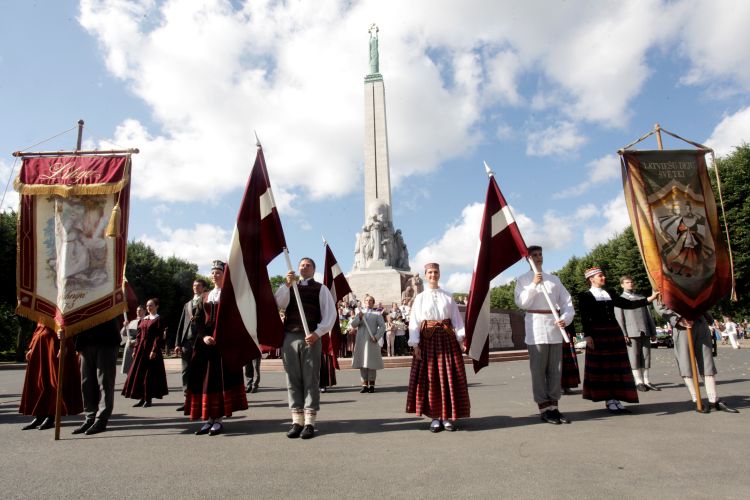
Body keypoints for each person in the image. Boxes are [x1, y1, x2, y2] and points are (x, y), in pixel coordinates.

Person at [578, 267, 659, 414]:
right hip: (598, 334)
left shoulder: (609, 293)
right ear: (591, 279)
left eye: (603, 275)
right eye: (600, 276)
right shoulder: (585, 296)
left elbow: (628, 304)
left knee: (616, 367)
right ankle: (609, 399)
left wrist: (650, 299)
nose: (603, 277)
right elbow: (585, 317)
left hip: (614, 332)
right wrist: (588, 336)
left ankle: (616, 399)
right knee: (605, 368)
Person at [274, 257, 337, 439]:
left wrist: (318, 333)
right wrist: (287, 284)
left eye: (308, 265)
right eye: (302, 265)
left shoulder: (321, 289)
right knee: (292, 378)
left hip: (311, 337)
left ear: (313, 269)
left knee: (311, 378)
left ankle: (309, 422)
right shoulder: (290, 287)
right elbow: (279, 303)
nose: (304, 267)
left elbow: (330, 314)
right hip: (290, 336)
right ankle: (297, 420)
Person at [184, 260, 248, 436]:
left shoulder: (230, 295)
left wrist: (221, 337)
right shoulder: (205, 296)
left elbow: (236, 319)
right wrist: (204, 336)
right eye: (212, 272)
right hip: (205, 345)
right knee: (204, 380)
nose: (214, 275)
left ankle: (218, 420)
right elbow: (197, 320)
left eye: (218, 272)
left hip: (223, 345)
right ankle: (209, 419)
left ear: (224, 275)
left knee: (219, 380)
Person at [514, 245, 575, 425]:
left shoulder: (554, 279)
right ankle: (544, 408)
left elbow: (567, 302)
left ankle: (554, 406)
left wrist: (565, 318)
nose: (538, 257)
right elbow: (522, 303)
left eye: (540, 254)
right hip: (536, 328)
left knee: (555, 370)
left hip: (554, 327)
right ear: (528, 259)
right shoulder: (523, 280)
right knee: (538, 370)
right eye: (534, 255)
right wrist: (533, 284)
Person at [406, 263, 470, 432]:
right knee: (431, 378)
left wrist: (461, 339)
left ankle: (446, 416)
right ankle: (435, 416)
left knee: (449, 377)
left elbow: (457, 320)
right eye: (430, 272)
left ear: (439, 274)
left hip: (447, 339)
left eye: (435, 272)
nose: (433, 275)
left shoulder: (448, 296)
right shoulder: (420, 297)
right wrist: (415, 344)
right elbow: (414, 322)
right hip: (427, 340)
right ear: (425, 275)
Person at [654, 302, 739, 413]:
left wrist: (711, 320)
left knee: (707, 363)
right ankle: (696, 399)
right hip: (682, 326)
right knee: (686, 364)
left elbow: (701, 300)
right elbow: (659, 305)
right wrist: (677, 320)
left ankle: (713, 400)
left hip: (701, 323)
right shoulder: (662, 289)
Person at [19, 322, 83, 430]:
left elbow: (68, 325)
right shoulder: (43, 313)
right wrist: (32, 347)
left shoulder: (60, 312)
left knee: (54, 382)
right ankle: (39, 415)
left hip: (55, 345)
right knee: (40, 382)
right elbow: (39, 327)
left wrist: (65, 344)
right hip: (41, 347)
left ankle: (51, 415)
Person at [72, 318, 120, 435]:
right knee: (86, 383)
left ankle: (101, 420)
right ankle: (90, 418)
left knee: (105, 382)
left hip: (107, 339)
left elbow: (127, 309)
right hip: (85, 341)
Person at [614, 276, 660, 392]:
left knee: (646, 356)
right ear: (622, 285)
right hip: (631, 332)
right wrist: (623, 334)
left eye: (631, 282)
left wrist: (653, 332)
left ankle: (647, 381)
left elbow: (649, 316)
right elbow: (619, 318)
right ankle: (638, 381)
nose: (630, 284)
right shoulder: (619, 300)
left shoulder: (642, 298)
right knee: (634, 357)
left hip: (645, 331)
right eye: (627, 282)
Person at [121, 298, 169, 408]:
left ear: (157, 306)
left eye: (151, 305)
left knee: (149, 376)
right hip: (141, 350)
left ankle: (148, 399)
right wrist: (135, 350)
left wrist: (154, 350)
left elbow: (158, 337)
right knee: (140, 374)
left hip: (151, 351)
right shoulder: (144, 319)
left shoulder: (159, 319)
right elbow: (138, 336)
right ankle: (141, 398)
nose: (148, 307)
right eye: (147, 305)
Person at [174, 280, 208, 411]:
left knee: (200, 371)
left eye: (198, 285)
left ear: (204, 288)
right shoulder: (187, 304)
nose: (195, 287)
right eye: (194, 285)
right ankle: (187, 400)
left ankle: (201, 400)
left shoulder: (207, 302)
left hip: (200, 341)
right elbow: (181, 324)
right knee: (185, 372)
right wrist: (178, 343)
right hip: (187, 342)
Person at [349, 295, 386, 393]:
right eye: (367, 300)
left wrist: (376, 337)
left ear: (373, 302)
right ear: (364, 302)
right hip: (361, 341)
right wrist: (359, 317)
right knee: (362, 362)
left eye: (370, 300)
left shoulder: (377, 314)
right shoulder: (360, 313)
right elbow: (353, 324)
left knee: (371, 362)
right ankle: (364, 385)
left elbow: (382, 327)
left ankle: (372, 385)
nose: (368, 302)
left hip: (371, 340)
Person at [121, 305, 144, 375]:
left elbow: (145, 336)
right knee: (129, 370)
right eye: (137, 310)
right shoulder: (132, 322)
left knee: (139, 370)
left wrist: (135, 342)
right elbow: (123, 334)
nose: (138, 312)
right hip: (129, 347)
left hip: (139, 346)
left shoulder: (146, 321)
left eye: (140, 310)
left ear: (144, 311)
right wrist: (125, 326)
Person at [561, 323, 581, 394]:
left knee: (570, 361)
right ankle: (560, 386)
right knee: (560, 362)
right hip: (557, 335)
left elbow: (571, 321)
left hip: (568, 333)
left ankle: (568, 385)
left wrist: (574, 336)